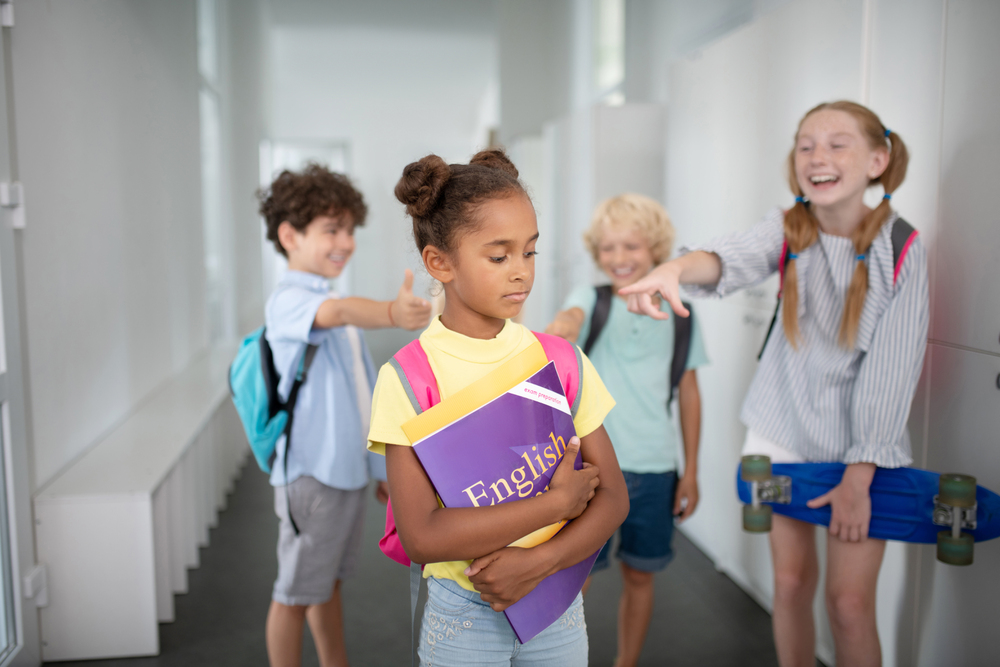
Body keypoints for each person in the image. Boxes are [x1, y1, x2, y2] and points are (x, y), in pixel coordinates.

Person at [619, 101, 928, 667]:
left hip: (864, 450)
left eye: (838, 144)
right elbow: (727, 258)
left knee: (850, 604)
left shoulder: (901, 249)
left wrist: (860, 476)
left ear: (878, 160)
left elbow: (893, 370)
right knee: (789, 586)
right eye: (806, 144)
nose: (818, 157)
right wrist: (674, 270)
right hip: (781, 431)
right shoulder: (790, 228)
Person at [366, 148, 630, 666]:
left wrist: (540, 561)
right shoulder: (408, 378)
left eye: (529, 252)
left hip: (556, 599)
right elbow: (422, 536)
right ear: (439, 262)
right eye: (499, 255)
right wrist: (555, 505)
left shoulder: (561, 361)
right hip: (462, 610)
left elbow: (614, 498)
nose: (521, 273)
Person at [258, 163, 432, 667]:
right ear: (290, 235)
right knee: (293, 592)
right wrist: (391, 314)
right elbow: (339, 314)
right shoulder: (292, 301)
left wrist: (376, 469)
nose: (346, 241)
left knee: (324, 581)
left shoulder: (327, 298)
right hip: (312, 477)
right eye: (331, 229)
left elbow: (359, 397)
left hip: (341, 473)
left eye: (350, 229)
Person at [545, 193, 708, 667]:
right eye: (608, 248)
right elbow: (568, 319)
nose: (618, 259)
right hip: (590, 469)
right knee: (575, 577)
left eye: (631, 247)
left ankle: (626, 662)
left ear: (656, 250)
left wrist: (691, 471)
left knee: (641, 576)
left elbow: (690, 395)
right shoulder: (590, 301)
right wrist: (561, 326)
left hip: (656, 469)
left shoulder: (681, 314)